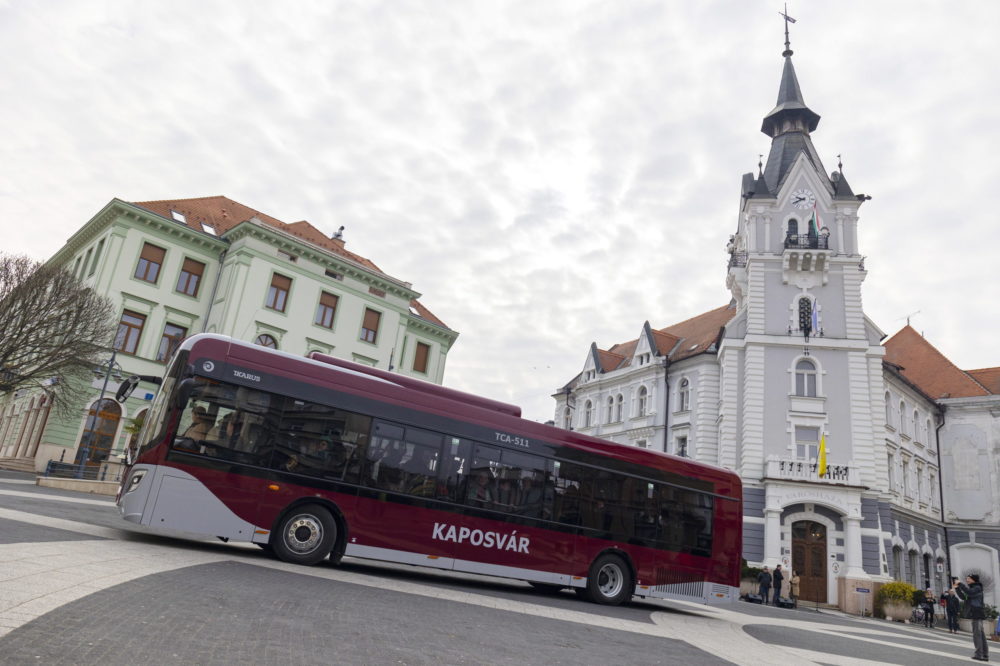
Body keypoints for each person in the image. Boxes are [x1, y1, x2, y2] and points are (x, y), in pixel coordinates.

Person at [956, 574, 989, 661]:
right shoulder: (972, 589)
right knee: (980, 634)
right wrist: (957, 588)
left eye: (968, 579)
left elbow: (969, 593)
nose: (967, 580)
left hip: (977, 613)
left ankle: (979, 655)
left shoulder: (977, 588)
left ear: (974, 580)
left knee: (977, 635)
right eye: (966, 579)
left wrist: (960, 584)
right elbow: (963, 597)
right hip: (975, 613)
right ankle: (984, 655)